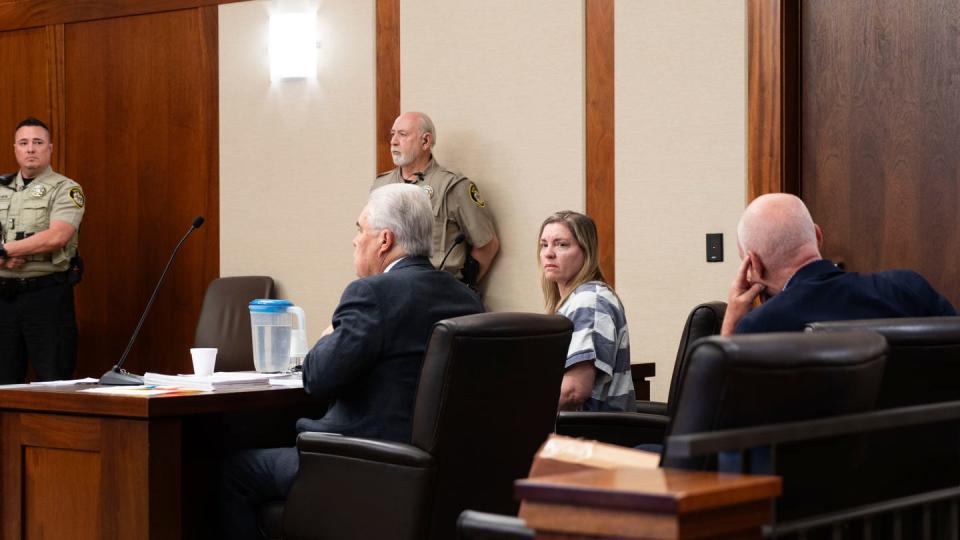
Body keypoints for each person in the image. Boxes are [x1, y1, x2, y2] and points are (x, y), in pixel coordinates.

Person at [219, 183, 484, 540]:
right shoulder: (465, 298)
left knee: (234, 472)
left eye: (361, 229)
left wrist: (330, 333)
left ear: (384, 240)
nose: (355, 240)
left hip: (360, 464)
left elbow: (317, 379)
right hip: (435, 472)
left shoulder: (371, 295)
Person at [722, 193, 955, 335]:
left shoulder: (760, 326)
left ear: (753, 265)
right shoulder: (909, 288)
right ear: (818, 236)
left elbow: (719, 409)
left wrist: (732, 325)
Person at [0, 117, 85, 384]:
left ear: (50, 148)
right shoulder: (1, 189)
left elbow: (57, 236)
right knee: (3, 384)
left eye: (37, 142)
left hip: (47, 297)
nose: (30, 149)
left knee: (54, 381)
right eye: (24, 143)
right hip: (4, 300)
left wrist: (3, 251)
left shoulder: (65, 188)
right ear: (15, 148)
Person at [372, 111, 499, 287]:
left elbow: (487, 244)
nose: (393, 141)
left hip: (434, 292)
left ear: (425, 141)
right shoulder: (381, 185)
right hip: (388, 288)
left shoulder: (452, 186)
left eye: (403, 134)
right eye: (393, 134)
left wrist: (461, 289)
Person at [538, 211, 635, 412]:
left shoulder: (589, 301)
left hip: (590, 436)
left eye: (561, 244)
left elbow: (574, 391)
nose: (548, 253)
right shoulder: (577, 300)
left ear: (586, 251)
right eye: (544, 244)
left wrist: (520, 412)